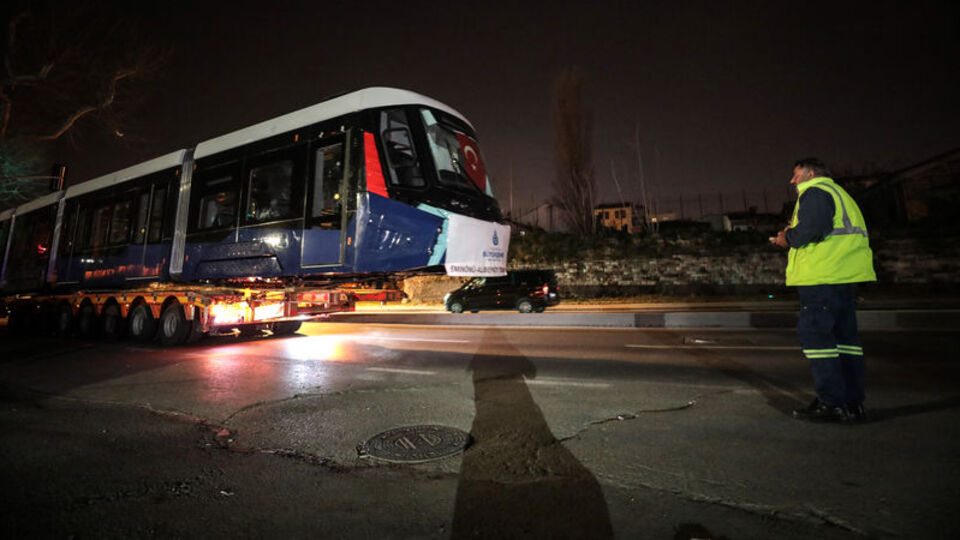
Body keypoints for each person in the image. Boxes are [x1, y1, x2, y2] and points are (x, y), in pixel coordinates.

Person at [771, 158, 877, 423]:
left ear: (811, 173)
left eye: (796, 175)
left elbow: (812, 229)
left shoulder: (816, 191)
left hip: (822, 279)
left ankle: (831, 402)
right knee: (846, 342)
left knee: (817, 339)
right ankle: (852, 404)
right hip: (843, 277)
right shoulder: (841, 194)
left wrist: (788, 238)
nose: (792, 181)